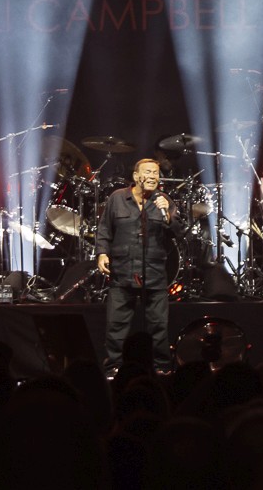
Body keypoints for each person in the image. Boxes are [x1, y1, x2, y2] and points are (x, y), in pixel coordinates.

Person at [93, 156, 182, 375]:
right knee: (116, 324)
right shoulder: (118, 198)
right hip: (122, 271)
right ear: (136, 176)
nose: (153, 176)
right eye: (148, 172)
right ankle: (114, 367)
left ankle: (161, 367)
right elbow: (104, 228)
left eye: (156, 173)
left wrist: (167, 217)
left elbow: (179, 232)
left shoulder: (164, 200)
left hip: (154, 271)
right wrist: (102, 253)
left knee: (158, 325)